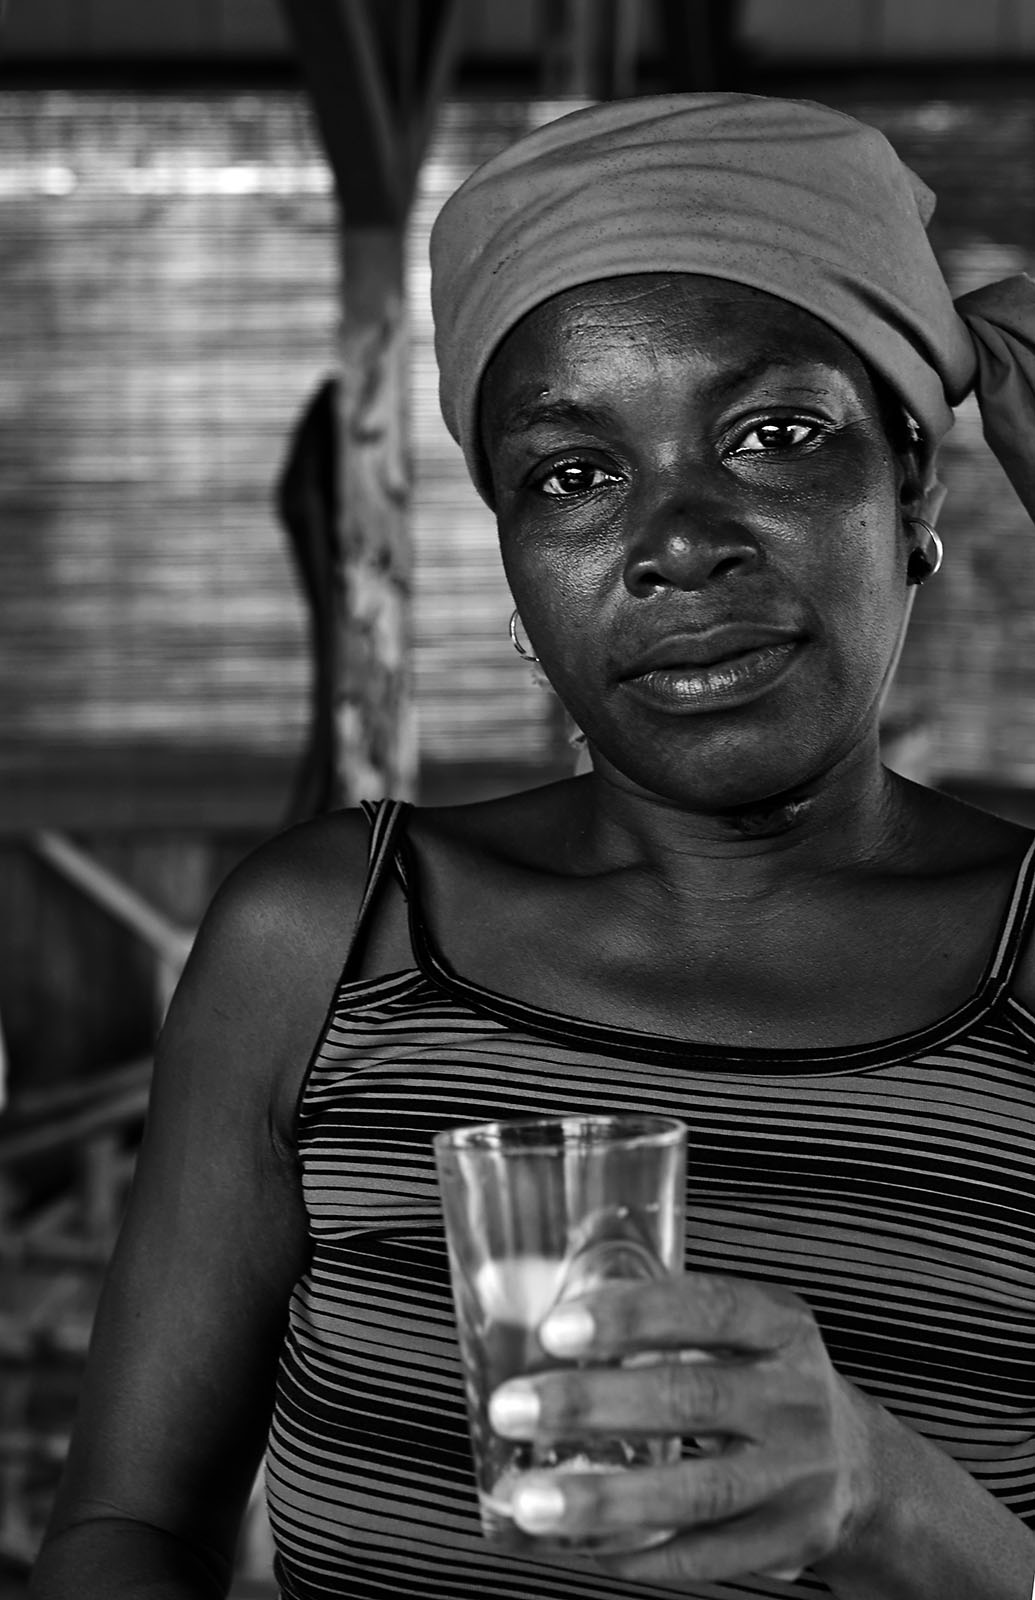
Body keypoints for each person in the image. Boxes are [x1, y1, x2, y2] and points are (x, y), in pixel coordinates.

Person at [30, 93, 1035, 1600]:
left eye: (776, 435)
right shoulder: (328, 940)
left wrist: (892, 1509)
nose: (678, 540)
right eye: (573, 474)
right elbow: (128, 1530)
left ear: (914, 491)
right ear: (510, 554)